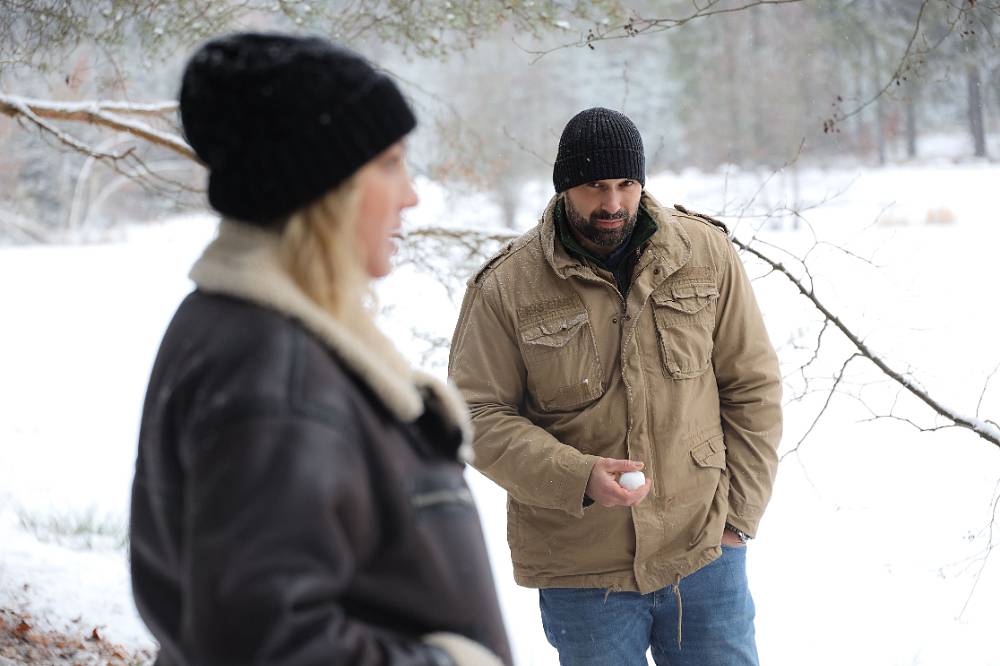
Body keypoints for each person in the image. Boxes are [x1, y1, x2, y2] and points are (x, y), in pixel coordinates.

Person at [129, 32, 511, 666]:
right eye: (389, 163)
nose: (411, 194)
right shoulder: (275, 371)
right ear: (324, 186)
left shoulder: (249, 329)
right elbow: (265, 645)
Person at [448, 107, 782, 666]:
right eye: (594, 187)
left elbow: (752, 387)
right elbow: (474, 416)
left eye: (626, 184)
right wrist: (577, 476)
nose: (612, 203)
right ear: (563, 189)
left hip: (703, 551)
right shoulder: (506, 286)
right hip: (583, 573)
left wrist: (737, 520)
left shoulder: (705, 254)